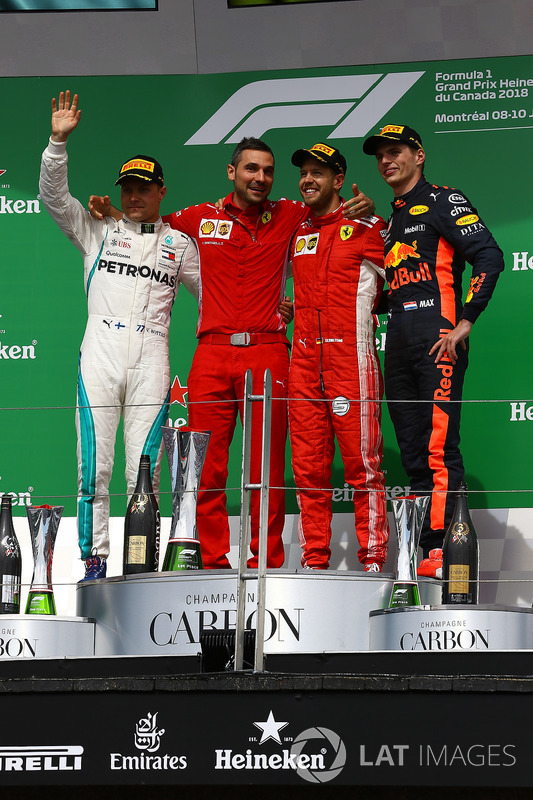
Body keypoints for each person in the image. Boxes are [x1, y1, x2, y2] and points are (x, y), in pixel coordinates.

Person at [90, 137, 374, 570]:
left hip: (268, 353)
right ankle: (213, 560)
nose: (260, 178)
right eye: (251, 169)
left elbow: (331, 212)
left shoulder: (292, 214)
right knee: (206, 467)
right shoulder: (198, 218)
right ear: (231, 172)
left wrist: (363, 207)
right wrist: (113, 214)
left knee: (267, 469)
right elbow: (151, 225)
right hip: (212, 354)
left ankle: (266, 563)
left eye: (267, 171)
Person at [39, 91, 199, 581]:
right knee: (95, 468)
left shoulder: (180, 244)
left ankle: (139, 563)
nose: (133, 196)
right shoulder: (97, 231)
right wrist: (57, 145)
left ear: (161, 191)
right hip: (101, 355)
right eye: (127, 187)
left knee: (144, 468)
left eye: (143, 188)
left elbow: (218, 296)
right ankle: (94, 560)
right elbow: (53, 198)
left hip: (152, 356)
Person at [363, 123, 504, 578]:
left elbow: (489, 255)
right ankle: (423, 549)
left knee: (440, 448)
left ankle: (449, 550)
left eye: (396, 151)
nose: (387, 160)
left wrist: (466, 320)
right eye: (380, 155)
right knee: (412, 451)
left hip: (437, 336)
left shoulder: (444, 199)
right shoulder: (391, 222)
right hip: (398, 338)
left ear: (418, 155)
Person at [288, 142, 389, 572]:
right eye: (304, 173)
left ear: (339, 180)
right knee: (308, 469)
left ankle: (374, 559)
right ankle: (314, 561)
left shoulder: (369, 224)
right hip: (303, 362)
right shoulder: (297, 228)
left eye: (318, 173)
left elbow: (403, 286)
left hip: (352, 360)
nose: (308, 180)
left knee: (363, 468)